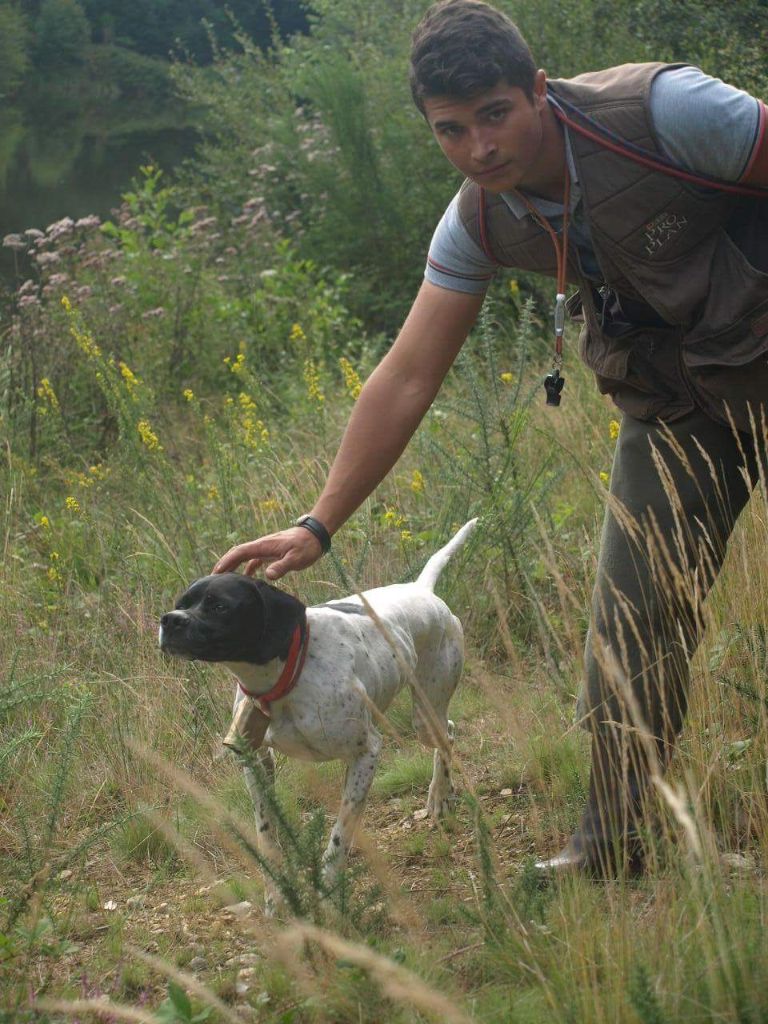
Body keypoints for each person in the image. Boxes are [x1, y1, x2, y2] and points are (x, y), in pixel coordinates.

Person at [213, 0, 768, 876]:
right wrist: (317, 525)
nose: (481, 147)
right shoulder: (475, 220)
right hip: (674, 407)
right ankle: (617, 846)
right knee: (630, 623)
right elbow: (406, 375)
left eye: (497, 114)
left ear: (539, 90)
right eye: (452, 129)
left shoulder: (663, 113)